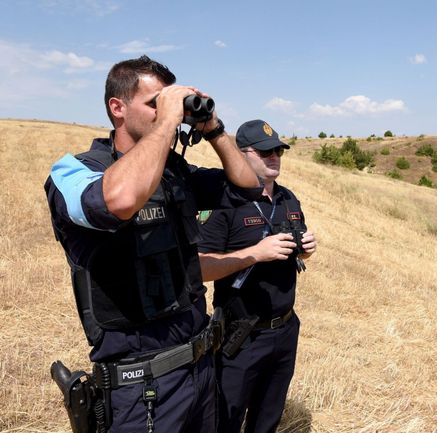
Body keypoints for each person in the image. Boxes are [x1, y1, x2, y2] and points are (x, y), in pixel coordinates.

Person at [44, 55, 261, 433]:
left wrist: (213, 129)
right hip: (140, 388)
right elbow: (120, 201)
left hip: (200, 368)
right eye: (154, 103)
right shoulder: (75, 171)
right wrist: (166, 123)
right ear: (118, 108)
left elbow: (247, 187)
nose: (168, 113)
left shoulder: (176, 174)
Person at [197, 119, 317, 433]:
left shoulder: (288, 200)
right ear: (241, 154)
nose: (274, 156)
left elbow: (295, 251)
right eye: (265, 152)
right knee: (226, 417)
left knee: (268, 418)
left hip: (285, 329)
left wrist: (305, 249)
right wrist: (256, 253)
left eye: (277, 150)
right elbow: (199, 268)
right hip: (241, 336)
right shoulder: (223, 203)